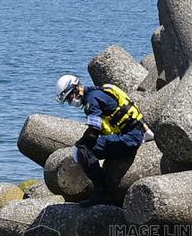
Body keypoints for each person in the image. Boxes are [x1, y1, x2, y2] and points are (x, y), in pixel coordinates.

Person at [55, 74, 154, 206]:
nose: (70, 102)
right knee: (86, 148)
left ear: (76, 89)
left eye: (69, 98)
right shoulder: (97, 92)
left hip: (128, 139)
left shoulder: (91, 100)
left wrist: (79, 145)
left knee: (82, 152)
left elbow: (93, 132)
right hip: (133, 133)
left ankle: (102, 193)